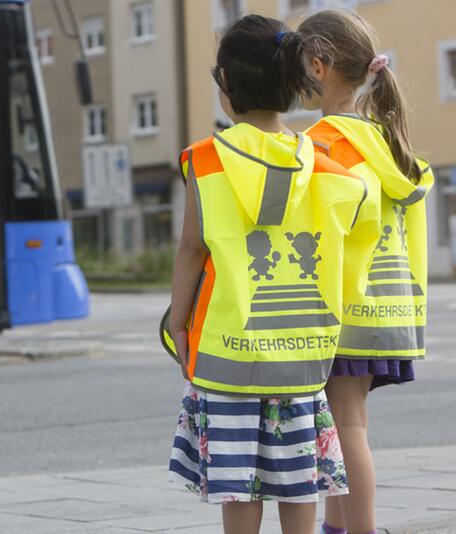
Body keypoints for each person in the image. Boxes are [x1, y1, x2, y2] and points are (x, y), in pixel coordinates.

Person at [163, 15, 372, 534]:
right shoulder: (326, 169)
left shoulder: (206, 162)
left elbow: (192, 252)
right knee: (300, 482)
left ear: (226, 87)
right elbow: (354, 243)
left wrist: (178, 323)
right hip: (302, 356)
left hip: (227, 355)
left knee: (241, 487)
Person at [298, 10, 434, 534]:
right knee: (346, 424)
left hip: (343, 307)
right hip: (389, 305)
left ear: (317, 65)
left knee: (346, 428)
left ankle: (361, 529)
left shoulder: (325, 144)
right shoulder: (384, 141)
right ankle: (340, 527)